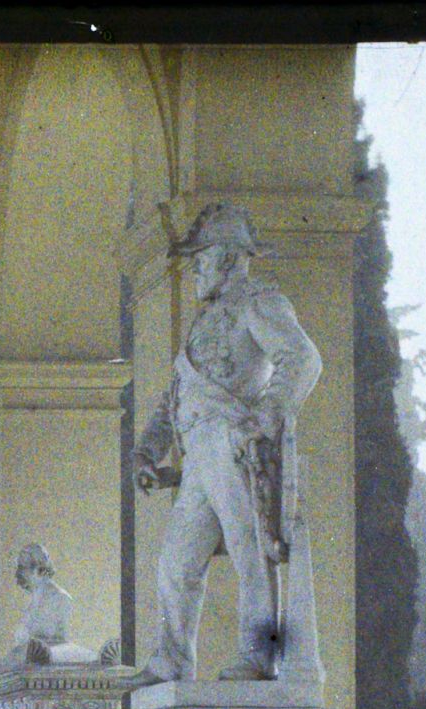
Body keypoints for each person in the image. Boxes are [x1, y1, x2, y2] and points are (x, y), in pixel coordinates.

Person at [133, 202, 322, 683]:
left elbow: (301, 358)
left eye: (203, 257)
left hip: (232, 442)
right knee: (176, 561)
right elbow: (173, 396)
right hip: (198, 454)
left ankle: (258, 655)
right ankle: (172, 660)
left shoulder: (258, 303)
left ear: (231, 257)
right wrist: (146, 451)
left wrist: (266, 415)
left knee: (249, 548)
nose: (195, 267)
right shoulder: (203, 322)